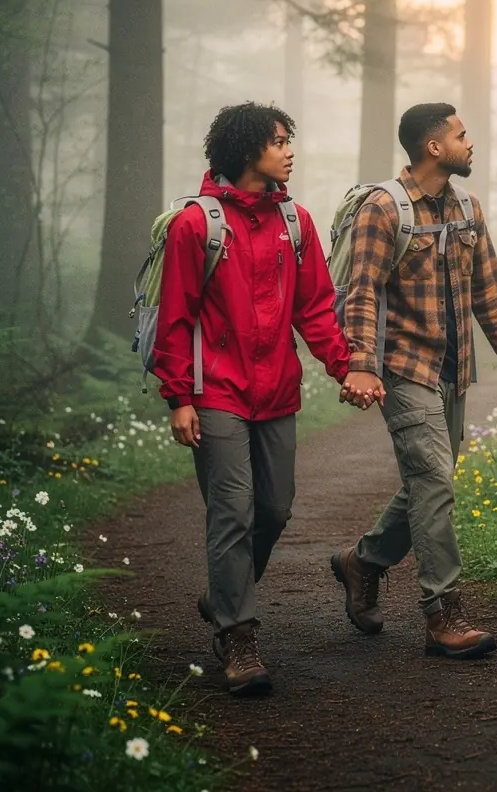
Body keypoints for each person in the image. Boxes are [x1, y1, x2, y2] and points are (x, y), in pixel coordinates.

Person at [154, 101, 357, 695]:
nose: (289, 150)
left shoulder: (295, 222)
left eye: (288, 140)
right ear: (247, 151)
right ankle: (237, 637)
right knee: (233, 512)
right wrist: (179, 397)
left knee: (274, 509)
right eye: (278, 141)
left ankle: (223, 592)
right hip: (215, 391)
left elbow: (316, 307)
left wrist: (346, 368)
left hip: (276, 391)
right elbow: (176, 317)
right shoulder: (196, 225)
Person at [331, 102, 497, 659]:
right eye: (461, 135)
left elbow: (488, 291)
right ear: (433, 147)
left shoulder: (467, 208)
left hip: (454, 369)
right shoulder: (383, 209)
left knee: (433, 476)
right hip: (404, 367)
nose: (470, 143)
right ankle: (443, 612)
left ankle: (363, 562)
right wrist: (361, 363)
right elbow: (363, 291)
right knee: (434, 481)